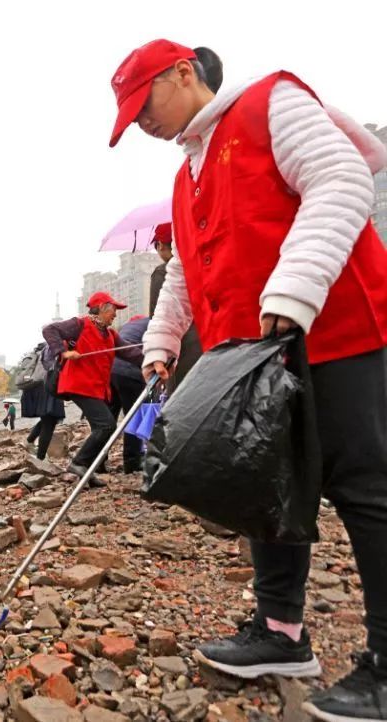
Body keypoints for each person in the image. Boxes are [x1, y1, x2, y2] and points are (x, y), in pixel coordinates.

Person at [111, 38, 387, 719]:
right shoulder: (187, 172)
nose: (140, 123)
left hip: (338, 332)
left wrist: (293, 290)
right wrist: (162, 340)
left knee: (367, 490)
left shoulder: (271, 103)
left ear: (183, 74)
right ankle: (282, 631)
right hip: (252, 355)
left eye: (143, 105)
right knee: (266, 480)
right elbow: (185, 269)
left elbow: (342, 179)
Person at [42, 292, 143, 486]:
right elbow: (50, 330)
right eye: (113, 310)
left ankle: (86, 469)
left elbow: (129, 352)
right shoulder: (80, 324)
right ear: (103, 308)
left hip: (97, 388)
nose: (115, 315)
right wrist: (63, 352)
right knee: (106, 426)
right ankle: (79, 463)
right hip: (78, 385)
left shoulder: (111, 334)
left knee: (103, 428)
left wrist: (153, 360)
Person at [149, 223, 202, 390]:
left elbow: (155, 317)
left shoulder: (162, 272)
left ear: (160, 245)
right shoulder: (200, 264)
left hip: (182, 350)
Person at [108, 314, 149, 473]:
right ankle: (132, 462)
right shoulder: (154, 323)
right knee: (134, 416)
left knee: (109, 419)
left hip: (111, 372)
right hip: (130, 372)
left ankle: (98, 461)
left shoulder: (126, 327)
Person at [22, 343, 65, 461]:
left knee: (47, 419)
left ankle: (29, 441)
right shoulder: (51, 350)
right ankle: (40, 458)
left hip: (35, 390)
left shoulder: (36, 354)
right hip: (48, 387)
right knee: (49, 422)